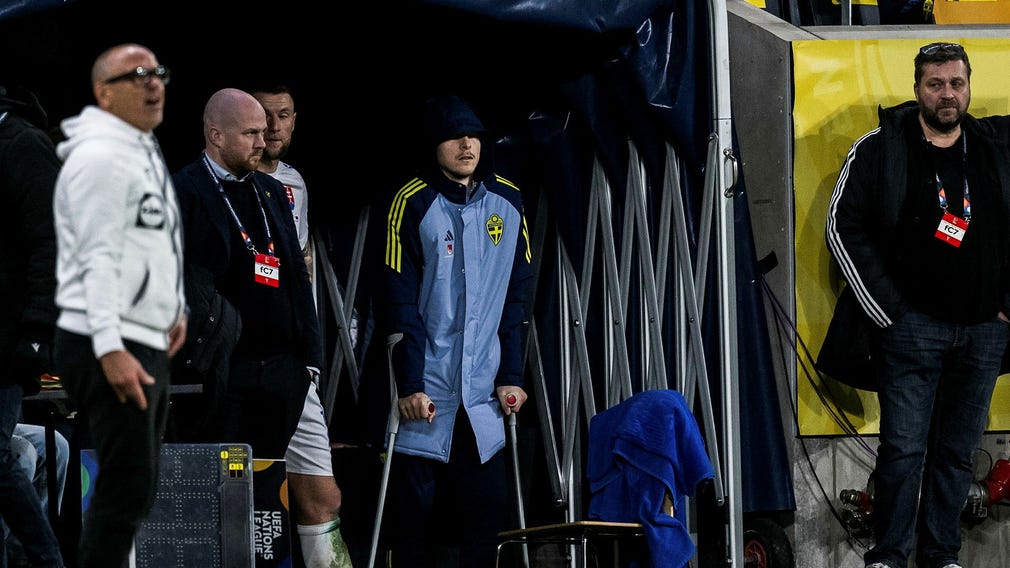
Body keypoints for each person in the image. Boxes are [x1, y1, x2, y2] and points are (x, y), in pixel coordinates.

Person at [826, 42, 1010, 568]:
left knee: (956, 453)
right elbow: (842, 226)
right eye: (935, 84)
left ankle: (941, 555)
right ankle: (888, 555)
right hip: (911, 331)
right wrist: (889, 312)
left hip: (983, 331)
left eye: (956, 83)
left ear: (969, 85)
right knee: (903, 451)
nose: (947, 94)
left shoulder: (996, 144)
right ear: (917, 90)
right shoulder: (883, 147)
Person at [377, 94, 533, 567]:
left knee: (487, 515)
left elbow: (517, 297)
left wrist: (512, 375)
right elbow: (396, 299)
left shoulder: (507, 200)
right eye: (454, 136)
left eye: (474, 136)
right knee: (414, 520)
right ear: (434, 144)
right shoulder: (411, 201)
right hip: (429, 390)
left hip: (485, 393)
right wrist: (410, 384)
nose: (467, 144)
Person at [52, 43, 186, 568]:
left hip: (141, 335)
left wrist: (171, 309)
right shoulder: (101, 158)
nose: (152, 83)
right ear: (103, 93)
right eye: (136, 76)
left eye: (157, 72)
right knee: (124, 491)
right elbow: (97, 257)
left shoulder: (140, 150)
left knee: (137, 488)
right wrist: (110, 347)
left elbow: (151, 242)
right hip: (105, 339)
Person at [172, 87, 322, 472]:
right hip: (220, 374)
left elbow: (296, 277)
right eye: (250, 133)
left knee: (267, 491)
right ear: (215, 135)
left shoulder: (272, 191)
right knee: (218, 489)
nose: (264, 140)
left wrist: (309, 363)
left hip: (281, 374)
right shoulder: (181, 191)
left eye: (264, 130)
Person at [251, 84, 352, 568]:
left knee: (322, 494)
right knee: (241, 498)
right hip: (239, 366)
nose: (273, 126)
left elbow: (303, 270)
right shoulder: (208, 185)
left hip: (293, 362)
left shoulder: (295, 182)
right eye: (262, 115)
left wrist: (310, 356)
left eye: (283, 115)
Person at [0, 80, 65, 568]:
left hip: (6, 343)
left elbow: (52, 246)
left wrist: (37, 335)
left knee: (2, 458)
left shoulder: (24, 145)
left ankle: (45, 559)